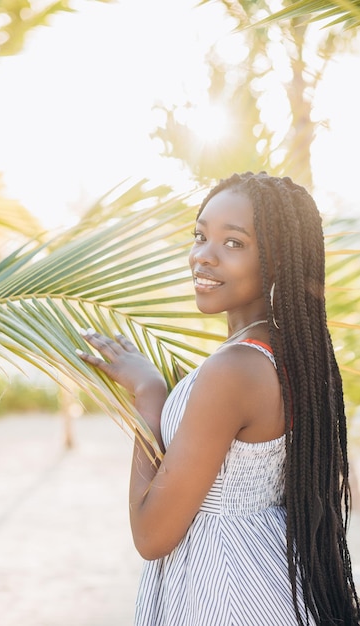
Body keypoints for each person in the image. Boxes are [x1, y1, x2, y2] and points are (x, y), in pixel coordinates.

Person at [76, 172, 360, 625]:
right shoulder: (289, 353)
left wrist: (150, 394)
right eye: (200, 235)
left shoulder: (235, 370)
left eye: (233, 243)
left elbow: (152, 535)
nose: (202, 257)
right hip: (267, 575)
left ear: (278, 259)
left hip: (226, 590)